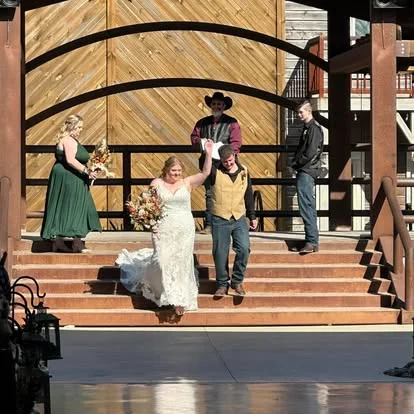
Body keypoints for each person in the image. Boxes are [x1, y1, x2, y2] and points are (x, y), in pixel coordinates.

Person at [116, 140, 214, 316]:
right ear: (166, 170)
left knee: (181, 263)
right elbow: (149, 207)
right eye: (173, 171)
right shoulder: (157, 183)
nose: (176, 174)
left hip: (184, 228)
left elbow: (205, 172)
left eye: (179, 171)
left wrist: (208, 153)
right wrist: (152, 225)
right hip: (163, 227)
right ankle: (161, 290)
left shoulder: (187, 183)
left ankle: (178, 299)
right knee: (161, 261)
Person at [40, 114, 101, 253]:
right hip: (69, 178)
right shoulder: (68, 140)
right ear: (71, 126)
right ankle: (72, 243)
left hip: (73, 177)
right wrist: (87, 171)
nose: (80, 130)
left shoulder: (71, 140)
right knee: (75, 207)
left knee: (72, 207)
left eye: (81, 127)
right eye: (78, 127)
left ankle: (65, 242)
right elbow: (71, 160)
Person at [190, 91, 242, 234]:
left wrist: (225, 152)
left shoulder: (232, 123)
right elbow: (194, 138)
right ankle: (210, 224)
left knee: (227, 192)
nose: (216, 106)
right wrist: (202, 143)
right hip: (207, 162)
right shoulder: (202, 123)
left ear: (224, 106)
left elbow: (236, 144)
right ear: (211, 105)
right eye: (214, 104)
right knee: (209, 193)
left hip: (225, 163)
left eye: (219, 104)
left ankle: (227, 224)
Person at [210, 145, 258, 297]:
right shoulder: (215, 171)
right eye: (225, 162)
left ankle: (237, 281)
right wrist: (208, 153)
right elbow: (204, 169)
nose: (228, 164)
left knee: (244, 248)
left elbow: (248, 194)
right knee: (220, 252)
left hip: (238, 217)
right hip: (220, 217)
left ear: (234, 156)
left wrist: (252, 216)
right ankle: (222, 284)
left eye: (230, 160)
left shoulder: (244, 171)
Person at [291, 100, 325, 254]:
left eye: (301, 112)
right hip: (306, 169)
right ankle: (311, 240)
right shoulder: (309, 128)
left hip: (307, 170)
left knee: (306, 206)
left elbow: (310, 152)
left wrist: (296, 163)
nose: (299, 115)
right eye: (298, 112)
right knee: (307, 205)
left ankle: (311, 241)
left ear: (309, 111)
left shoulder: (313, 129)